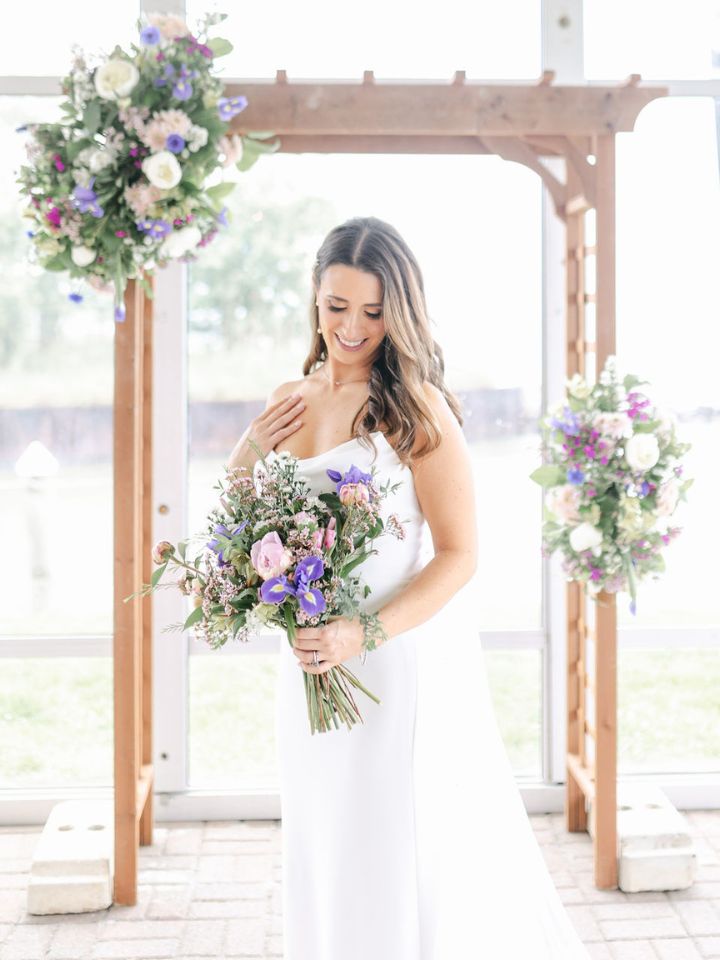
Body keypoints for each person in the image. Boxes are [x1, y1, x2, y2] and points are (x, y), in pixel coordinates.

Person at [228, 216, 591, 959]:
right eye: (336, 307)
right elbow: (243, 522)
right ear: (315, 299)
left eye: (372, 311)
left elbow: (460, 555)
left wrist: (363, 633)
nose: (352, 328)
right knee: (323, 838)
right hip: (309, 667)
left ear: (400, 311)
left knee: (389, 841)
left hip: (388, 665)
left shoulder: (416, 408)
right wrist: (248, 448)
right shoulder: (289, 398)